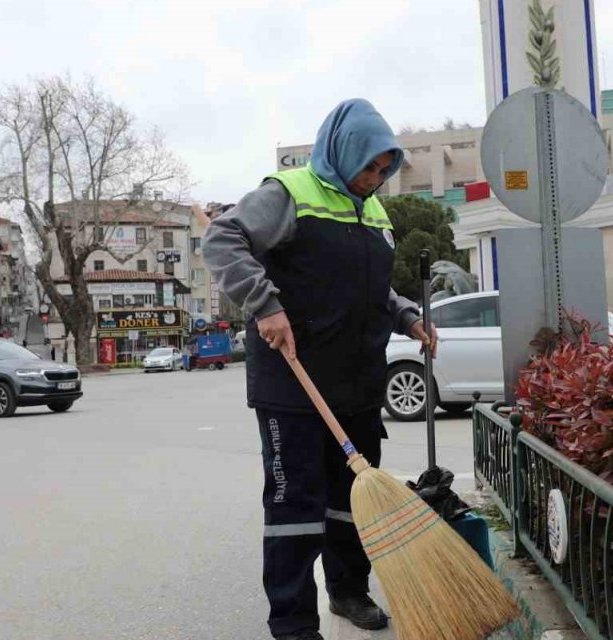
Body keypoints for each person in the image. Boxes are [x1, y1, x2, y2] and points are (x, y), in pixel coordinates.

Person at [204, 99, 436, 640]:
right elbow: (222, 239)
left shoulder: (373, 211)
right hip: (293, 385)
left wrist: (406, 315)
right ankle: (293, 623)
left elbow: (372, 289)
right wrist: (265, 305)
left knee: (352, 500)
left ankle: (348, 590)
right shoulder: (288, 194)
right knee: (296, 506)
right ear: (343, 150)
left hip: (356, 383)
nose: (374, 179)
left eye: (384, 170)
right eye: (368, 166)